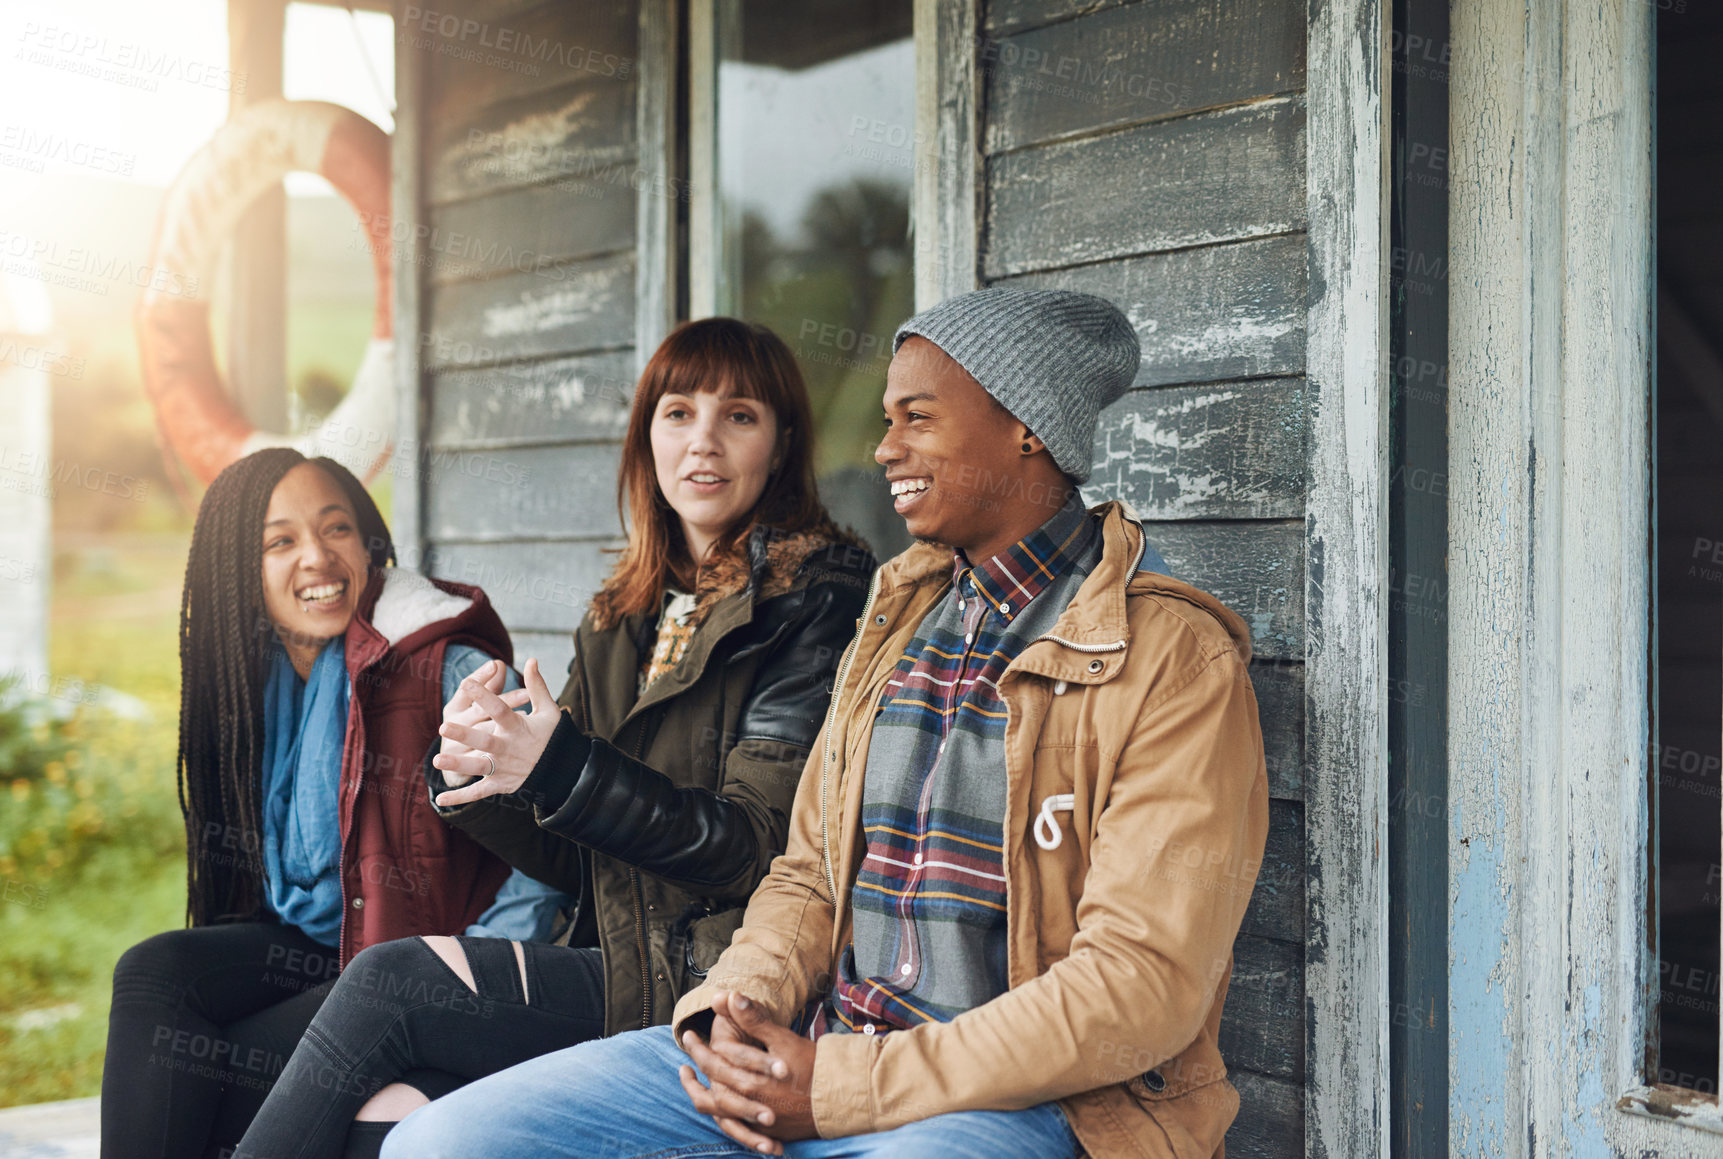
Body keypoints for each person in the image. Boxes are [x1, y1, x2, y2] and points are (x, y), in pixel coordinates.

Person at [381, 288, 1271, 1159]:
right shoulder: (897, 622)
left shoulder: (1170, 658)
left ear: (1025, 427)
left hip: (1017, 1107)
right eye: (886, 420)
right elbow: (805, 871)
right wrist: (735, 1009)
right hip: (815, 1046)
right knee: (443, 1139)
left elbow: (1139, 986)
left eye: (915, 418)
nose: (884, 449)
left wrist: (844, 1087)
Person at [234, 318, 876, 1159]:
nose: (703, 443)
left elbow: (754, 848)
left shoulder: (812, 598)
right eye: (677, 412)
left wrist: (559, 765)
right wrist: (475, 769)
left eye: (740, 416)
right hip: (615, 951)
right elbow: (581, 855)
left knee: (392, 982)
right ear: (646, 435)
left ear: (782, 442)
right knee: (383, 1106)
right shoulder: (623, 612)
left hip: (716, 975)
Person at [100, 448, 566, 1159]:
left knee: (206, 1063)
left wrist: (483, 963)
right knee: (154, 970)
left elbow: (548, 828)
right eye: (280, 540)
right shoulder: (261, 673)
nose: (316, 557)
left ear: (368, 542)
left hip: (417, 956)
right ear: (239, 569)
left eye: (335, 529)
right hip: (326, 937)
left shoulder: (442, 664)